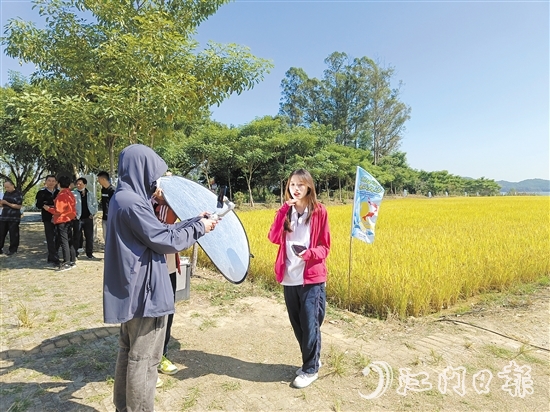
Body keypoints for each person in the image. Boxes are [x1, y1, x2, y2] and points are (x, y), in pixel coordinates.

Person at [103, 144, 217, 412]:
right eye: (154, 174)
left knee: (127, 352)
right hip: (145, 292)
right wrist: (201, 228)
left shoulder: (123, 197)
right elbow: (164, 240)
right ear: (141, 169)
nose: (156, 182)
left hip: (131, 288)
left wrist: (192, 221)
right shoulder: (133, 203)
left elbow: (157, 231)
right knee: (144, 359)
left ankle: (123, 406)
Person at [267, 169, 331, 389]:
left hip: (311, 277)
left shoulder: (319, 211)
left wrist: (309, 254)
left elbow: (325, 247)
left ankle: (311, 369)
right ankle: (312, 359)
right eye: (292, 185)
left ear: (309, 188)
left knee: (310, 323)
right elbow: (273, 237)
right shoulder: (285, 211)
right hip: (289, 276)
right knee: (298, 325)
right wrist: (284, 209)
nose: (296, 189)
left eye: (301, 185)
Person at [44, 175, 77, 271]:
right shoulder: (70, 193)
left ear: (59, 184)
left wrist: (49, 209)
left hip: (62, 220)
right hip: (69, 219)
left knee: (64, 241)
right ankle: (72, 260)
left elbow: (58, 210)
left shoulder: (62, 195)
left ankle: (66, 262)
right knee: (69, 240)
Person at [35, 175, 60, 265]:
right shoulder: (41, 193)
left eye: (53, 181)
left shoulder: (59, 192)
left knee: (58, 237)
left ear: (56, 182)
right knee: (50, 237)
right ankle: (54, 257)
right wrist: (45, 206)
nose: (51, 183)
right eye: (49, 180)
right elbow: (38, 205)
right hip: (47, 218)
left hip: (58, 217)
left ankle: (53, 254)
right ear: (45, 182)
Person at [75, 177, 98, 259]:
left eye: (80, 184)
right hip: (78, 218)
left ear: (84, 184)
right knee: (77, 236)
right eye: (77, 184)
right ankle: (76, 252)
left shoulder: (90, 194)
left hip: (88, 218)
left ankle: (89, 253)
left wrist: (93, 213)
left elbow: (95, 205)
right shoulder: (73, 194)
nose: (78, 185)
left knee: (89, 236)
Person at [0, 180, 23, 255]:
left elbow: (18, 206)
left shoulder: (18, 194)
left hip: (14, 217)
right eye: (5, 187)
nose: (7, 189)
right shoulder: (6, 193)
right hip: (4, 216)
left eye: (8, 187)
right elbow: (3, 205)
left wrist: (6, 202)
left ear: (13, 185)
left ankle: (13, 249)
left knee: (13, 234)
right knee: (1, 233)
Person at [97, 171, 115, 243]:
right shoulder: (103, 190)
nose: (98, 181)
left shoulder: (112, 190)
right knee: (105, 236)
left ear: (103, 179)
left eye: (99, 179)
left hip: (112, 218)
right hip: (105, 217)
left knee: (112, 237)